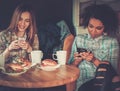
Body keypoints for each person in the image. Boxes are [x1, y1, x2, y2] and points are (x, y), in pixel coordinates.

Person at [68, 4, 119, 91]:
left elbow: (112, 72)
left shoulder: (111, 42)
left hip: (105, 81)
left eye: (98, 28)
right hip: (84, 83)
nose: (93, 31)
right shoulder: (79, 39)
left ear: (105, 27)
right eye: (90, 26)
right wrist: (76, 61)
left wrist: (94, 60)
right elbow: (69, 68)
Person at [0, 3, 39, 91]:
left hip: (28, 77)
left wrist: (29, 49)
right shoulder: (3, 35)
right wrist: (8, 49)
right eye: (20, 19)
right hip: (8, 77)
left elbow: (37, 63)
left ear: (30, 22)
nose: (22, 24)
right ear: (15, 19)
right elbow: (0, 63)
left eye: (27, 20)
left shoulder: (33, 37)